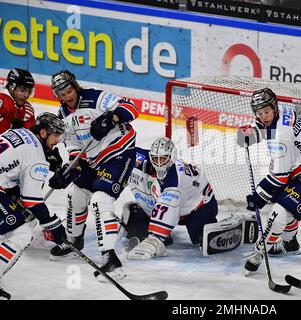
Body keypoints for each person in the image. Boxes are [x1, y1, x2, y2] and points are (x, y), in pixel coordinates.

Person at [47, 70, 138, 281]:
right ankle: (73, 241)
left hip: (119, 154)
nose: (67, 96)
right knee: (75, 195)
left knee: (100, 199)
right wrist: (68, 170)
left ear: (75, 87)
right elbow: (73, 147)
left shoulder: (96, 98)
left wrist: (111, 118)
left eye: (69, 91)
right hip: (92, 161)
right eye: (62, 94)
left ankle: (110, 258)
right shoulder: (63, 116)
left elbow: (132, 108)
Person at [236, 88, 301, 273]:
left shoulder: (281, 135)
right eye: (259, 113)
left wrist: (258, 196)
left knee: (279, 212)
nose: (263, 117)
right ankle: (290, 242)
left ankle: (259, 252)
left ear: (274, 107)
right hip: (296, 168)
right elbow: (262, 128)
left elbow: (279, 177)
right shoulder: (280, 113)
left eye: (266, 112)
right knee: (285, 208)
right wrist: (250, 134)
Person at [0, 112, 67, 300]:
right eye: (56, 135)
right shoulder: (37, 156)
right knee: (21, 233)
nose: (58, 141)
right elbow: (31, 199)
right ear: (44, 133)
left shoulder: (19, 131)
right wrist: (53, 225)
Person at [126, 137, 219, 259]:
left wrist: (154, 240)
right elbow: (120, 155)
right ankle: (139, 215)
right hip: (171, 203)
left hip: (198, 206)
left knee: (201, 239)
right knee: (137, 231)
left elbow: (168, 204)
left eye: (163, 159)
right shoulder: (139, 158)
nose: (159, 163)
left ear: (172, 157)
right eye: (155, 159)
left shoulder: (176, 179)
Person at [1, 68, 36, 132]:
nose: (26, 95)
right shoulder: (4, 101)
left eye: (29, 91)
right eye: (22, 90)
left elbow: (32, 137)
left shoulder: (27, 110)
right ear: (11, 88)